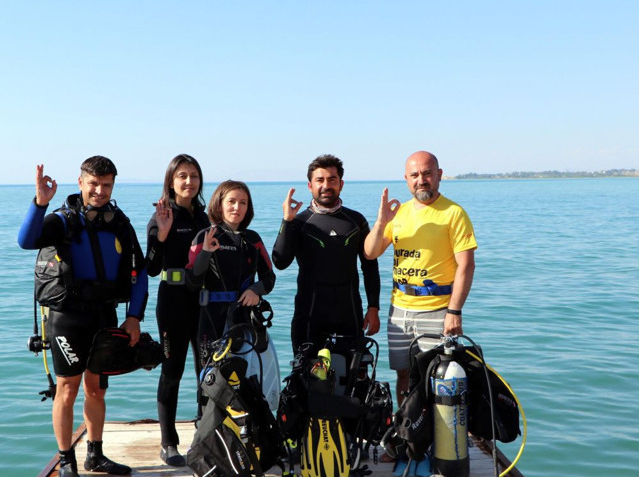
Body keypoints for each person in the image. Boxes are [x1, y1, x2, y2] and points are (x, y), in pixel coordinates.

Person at [17, 156, 148, 477]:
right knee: (67, 388)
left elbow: (140, 273)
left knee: (96, 389)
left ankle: (96, 453)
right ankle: (65, 460)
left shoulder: (119, 223)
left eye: (106, 185)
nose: (100, 191)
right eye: (93, 183)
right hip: (67, 318)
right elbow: (26, 240)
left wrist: (134, 317)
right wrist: (39, 204)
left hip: (105, 314)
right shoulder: (63, 221)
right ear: (80, 183)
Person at [364, 151, 477, 408]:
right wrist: (382, 221)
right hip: (400, 310)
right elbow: (370, 252)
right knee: (403, 373)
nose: (421, 180)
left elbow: (466, 265)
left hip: (437, 310)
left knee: (436, 374)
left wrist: (455, 311)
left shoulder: (453, 213)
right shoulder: (399, 213)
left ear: (439, 175)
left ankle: (437, 436)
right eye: (414, 175)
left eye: (427, 173)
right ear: (406, 179)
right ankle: (407, 431)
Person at [272, 154, 381, 353]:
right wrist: (287, 221)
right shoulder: (299, 222)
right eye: (320, 180)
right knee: (307, 380)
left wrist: (373, 307)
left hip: (349, 313)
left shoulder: (356, 221)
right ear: (310, 185)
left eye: (332, 179)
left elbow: (370, 265)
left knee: (355, 379)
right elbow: (280, 261)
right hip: (309, 314)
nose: (326, 185)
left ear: (341, 184)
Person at [145, 154, 210, 467]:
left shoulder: (205, 216)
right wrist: (162, 234)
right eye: (182, 176)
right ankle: (168, 443)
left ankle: (205, 435)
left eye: (194, 176)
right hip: (172, 300)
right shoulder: (161, 216)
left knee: (206, 372)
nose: (189, 182)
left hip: (203, 302)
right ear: (171, 181)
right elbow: (150, 267)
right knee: (172, 371)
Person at [186, 180, 276, 385]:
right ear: (219, 205)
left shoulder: (253, 239)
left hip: (243, 318)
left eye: (243, 202)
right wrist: (206, 253)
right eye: (232, 201)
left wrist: (255, 290)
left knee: (243, 378)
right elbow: (192, 282)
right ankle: (206, 418)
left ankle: (243, 418)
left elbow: (269, 278)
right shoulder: (206, 236)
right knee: (210, 380)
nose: (237, 207)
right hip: (211, 319)